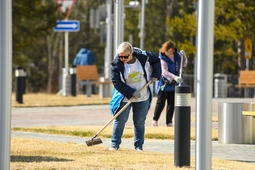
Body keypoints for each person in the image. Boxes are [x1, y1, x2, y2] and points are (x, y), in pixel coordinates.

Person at [109, 42, 161, 151]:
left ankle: (138, 146)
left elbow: (156, 60)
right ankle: (114, 144)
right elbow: (116, 82)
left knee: (139, 122)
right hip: (124, 96)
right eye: (120, 56)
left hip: (143, 95)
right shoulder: (116, 64)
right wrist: (131, 92)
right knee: (120, 120)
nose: (122, 58)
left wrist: (156, 74)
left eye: (125, 56)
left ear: (131, 53)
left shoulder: (144, 56)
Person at [152, 41, 187, 127]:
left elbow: (184, 64)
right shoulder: (162, 58)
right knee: (161, 103)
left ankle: (169, 122)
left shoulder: (177, 56)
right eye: (168, 51)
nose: (169, 53)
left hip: (174, 85)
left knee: (171, 104)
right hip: (164, 84)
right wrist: (174, 77)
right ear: (164, 50)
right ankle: (155, 120)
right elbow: (164, 72)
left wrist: (184, 57)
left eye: (171, 52)